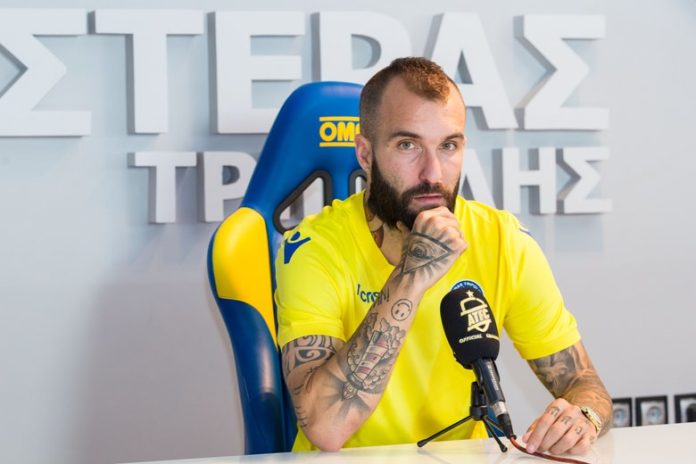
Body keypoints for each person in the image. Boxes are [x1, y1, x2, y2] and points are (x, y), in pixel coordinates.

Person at [274, 57, 612, 454]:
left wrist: (583, 416)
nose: (432, 173)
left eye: (448, 145)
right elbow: (326, 428)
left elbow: (584, 384)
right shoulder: (313, 248)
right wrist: (412, 274)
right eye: (408, 145)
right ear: (365, 155)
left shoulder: (503, 240)